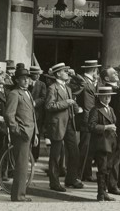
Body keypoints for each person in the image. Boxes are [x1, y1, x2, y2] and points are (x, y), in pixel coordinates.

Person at [45, 62, 83, 191]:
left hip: (69, 124)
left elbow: (81, 84)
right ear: (57, 74)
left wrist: (75, 74)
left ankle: (71, 179)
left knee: (74, 152)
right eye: (64, 71)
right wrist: (65, 103)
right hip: (58, 125)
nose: (67, 73)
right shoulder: (52, 88)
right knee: (55, 156)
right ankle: (54, 183)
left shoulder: (67, 87)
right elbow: (49, 106)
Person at [4, 67, 39, 202]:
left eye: (28, 78)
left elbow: (32, 116)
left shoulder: (28, 94)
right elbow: (9, 115)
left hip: (29, 133)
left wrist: (35, 133)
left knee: (24, 165)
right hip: (21, 135)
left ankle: (20, 194)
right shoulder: (14, 94)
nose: (26, 80)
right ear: (17, 80)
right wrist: (18, 131)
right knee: (21, 165)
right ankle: (18, 196)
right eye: (23, 78)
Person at [102, 64, 120, 193]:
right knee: (115, 157)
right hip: (118, 127)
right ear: (107, 79)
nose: (117, 74)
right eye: (113, 73)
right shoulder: (109, 89)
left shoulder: (116, 88)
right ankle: (112, 185)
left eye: (117, 72)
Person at [88, 86, 118, 201]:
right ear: (99, 96)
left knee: (109, 168)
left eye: (109, 96)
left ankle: (104, 192)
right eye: (105, 96)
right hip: (101, 143)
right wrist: (106, 127)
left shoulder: (110, 109)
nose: (107, 98)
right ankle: (100, 194)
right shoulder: (95, 109)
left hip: (111, 142)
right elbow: (91, 126)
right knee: (102, 169)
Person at [75, 60, 101, 182]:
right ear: (94, 70)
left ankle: (86, 174)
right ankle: (78, 175)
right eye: (97, 70)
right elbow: (86, 105)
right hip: (87, 119)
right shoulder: (85, 83)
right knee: (84, 148)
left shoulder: (89, 82)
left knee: (89, 148)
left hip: (88, 118)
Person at [28, 65, 47, 161]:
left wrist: (35, 102)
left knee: (37, 134)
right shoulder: (26, 82)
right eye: (36, 74)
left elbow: (44, 98)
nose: (38, 76)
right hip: (26, 112)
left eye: (39, 74)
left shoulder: (42, 84)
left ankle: (34, 156)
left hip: (37, 113)